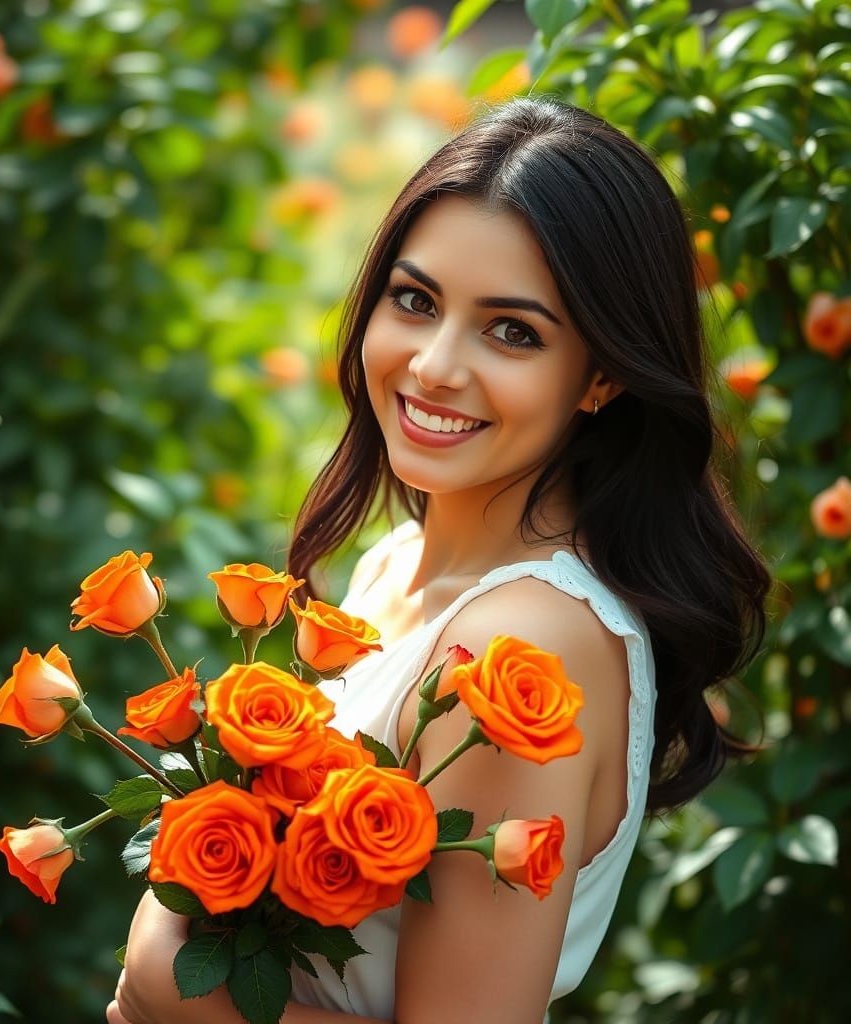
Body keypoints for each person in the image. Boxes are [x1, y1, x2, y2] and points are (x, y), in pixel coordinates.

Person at [106, 96, 770, 1024]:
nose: (432, 366)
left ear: (604, 375)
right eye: (415, 301)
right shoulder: (395, 561)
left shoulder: (520, 656)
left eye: (513, 331)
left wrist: (162, 980)